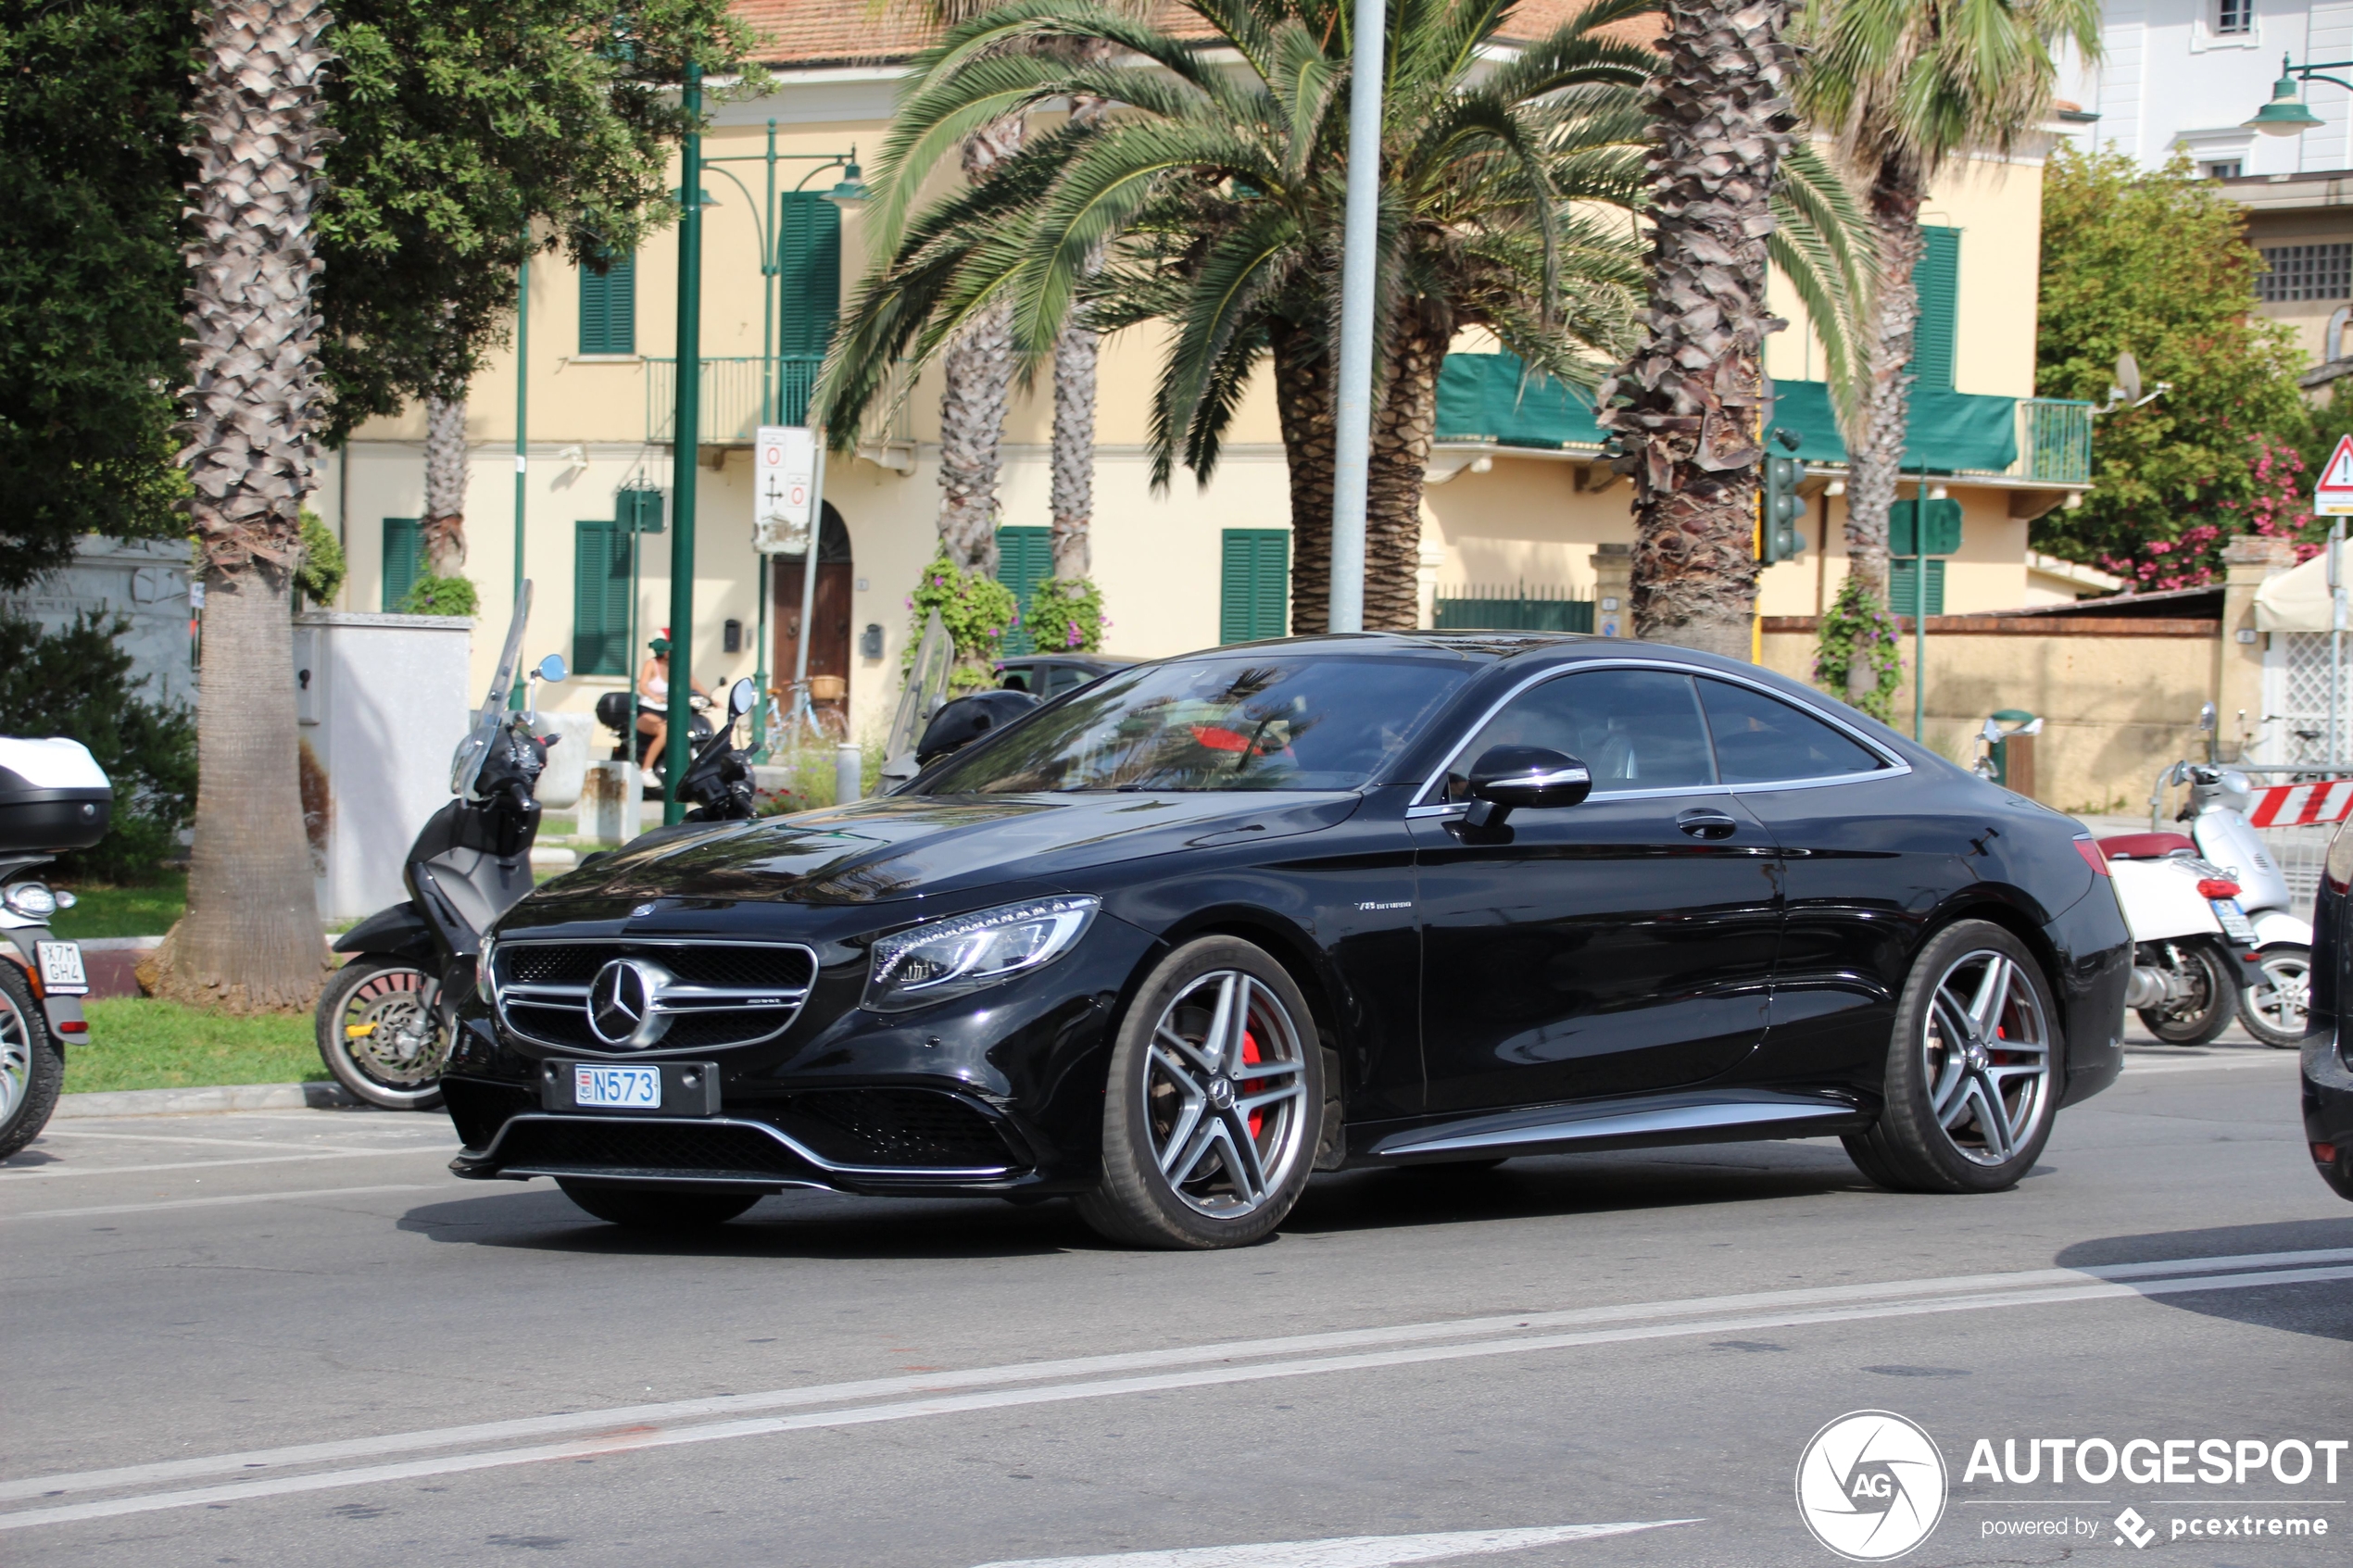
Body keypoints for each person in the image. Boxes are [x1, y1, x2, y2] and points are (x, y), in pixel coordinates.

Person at [635, 635, 710, 779]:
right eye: (669, 650)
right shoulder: (651, 664)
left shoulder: (675, 666)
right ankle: (646, 770)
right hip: (649, 711)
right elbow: (643, 685)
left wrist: (710, 698)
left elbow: (692, 682)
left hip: (669, 711)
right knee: (665, 731)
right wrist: (653, 696)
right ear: (663, 652)